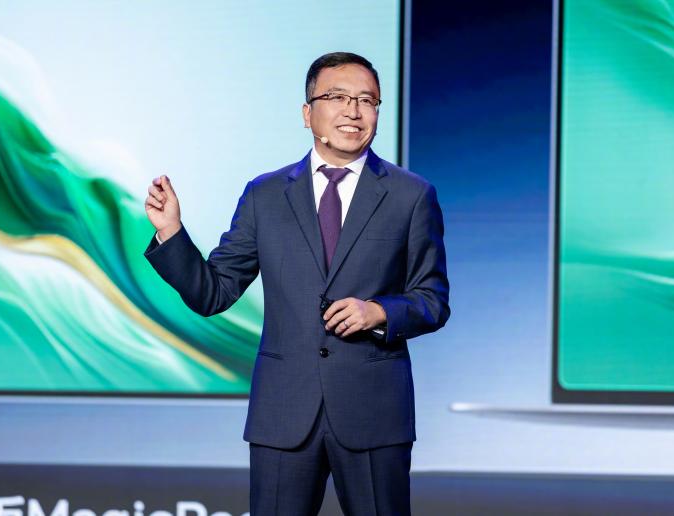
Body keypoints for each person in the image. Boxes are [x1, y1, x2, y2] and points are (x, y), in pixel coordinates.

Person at [144, 52, 449, 516]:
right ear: (308, 113)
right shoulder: (265, 195)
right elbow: (213, 292)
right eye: (338, 97)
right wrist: (171, 232)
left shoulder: (411, 194)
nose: (353, 110)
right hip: (283, 413)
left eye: (367, 100)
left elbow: (432, 299)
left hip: (373, 411)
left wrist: (377, 312)